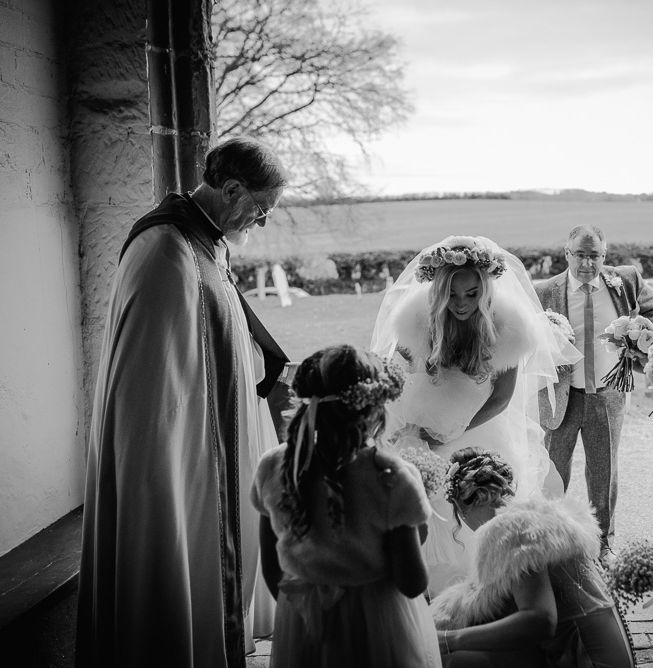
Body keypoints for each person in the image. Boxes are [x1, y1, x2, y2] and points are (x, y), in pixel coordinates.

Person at [75, 137, 289, 668]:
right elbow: (156, 379)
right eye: (259, 209)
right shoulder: (165, 247)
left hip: (215, 433)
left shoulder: (209, 240)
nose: (260, 222)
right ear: (231, 188)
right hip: (178, 445)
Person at [371, 235, 579, 595]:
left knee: (474, 508)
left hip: (477, 430)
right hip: (420, 429)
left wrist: (454, 431)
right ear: (438, 292)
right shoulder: (417, 322)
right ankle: (424, 592)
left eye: (470, 294)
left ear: (484, 291)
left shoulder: (508, 329)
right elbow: (398, 371)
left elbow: (500, 398)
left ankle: (480, 592)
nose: (461, 304)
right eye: (452, 295)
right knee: (420, 507)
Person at [251, 345, 441, 668]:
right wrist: (417, 531)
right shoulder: (391, 477)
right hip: (380, 626)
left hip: (303, 622)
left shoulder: (273, 467)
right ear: (374, 412)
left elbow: (272, 566)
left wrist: (299, 609)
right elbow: (413, 582)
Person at [432, 448, 635, 668]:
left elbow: (540, 621)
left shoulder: (510, 530)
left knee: (446, 660)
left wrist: (449, 640)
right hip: (606, 655)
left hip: (584, 661)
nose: (465, 522)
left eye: (461, 512)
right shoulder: (539, 519)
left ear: (481, 496)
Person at [534, 224, 653, 566]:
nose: (588, 264)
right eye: (581, 255)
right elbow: (528, 337)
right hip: (562, 395)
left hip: (608, 394)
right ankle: (553, 540)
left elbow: (652, 309)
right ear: (567, 253)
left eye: (596, 256)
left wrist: (639, 340)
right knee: (553, 469)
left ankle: (603, 542)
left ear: (605, 255)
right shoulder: (545, 290)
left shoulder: (625, 280)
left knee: (603, 470)